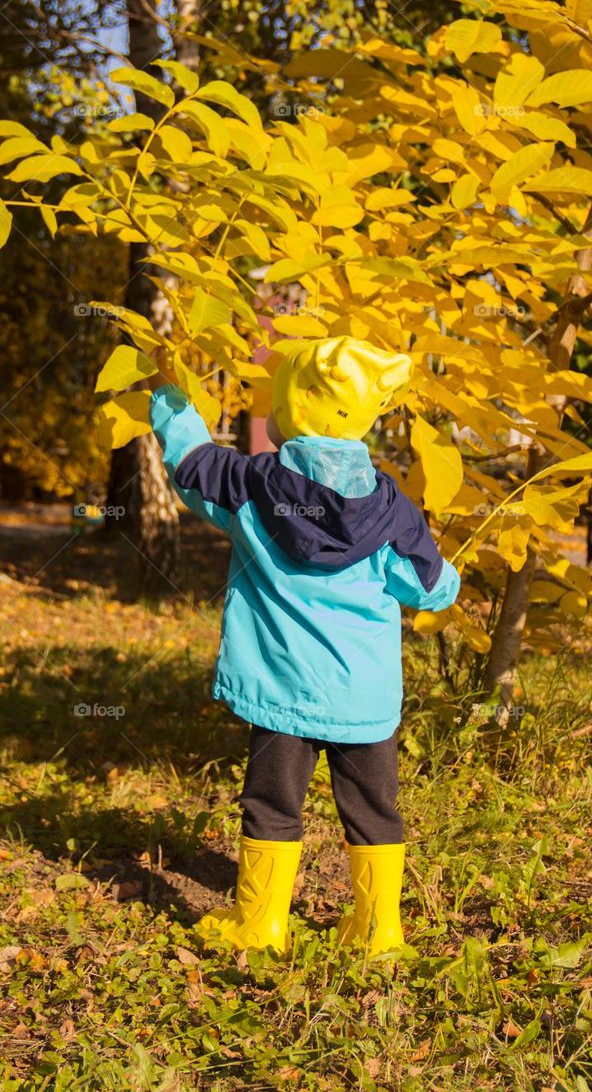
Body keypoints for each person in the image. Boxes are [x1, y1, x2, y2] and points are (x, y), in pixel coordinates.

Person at [148, 335, 460, 954]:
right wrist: (448, 577)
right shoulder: (391, 507)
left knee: (270, 803)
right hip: (363, 698)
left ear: (291, 405)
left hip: (281, 691)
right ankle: (379, 931)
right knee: (375, 810)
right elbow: (431, 591)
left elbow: (189, 464)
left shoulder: (247, 485)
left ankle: (260, 925)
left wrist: (170, 395)